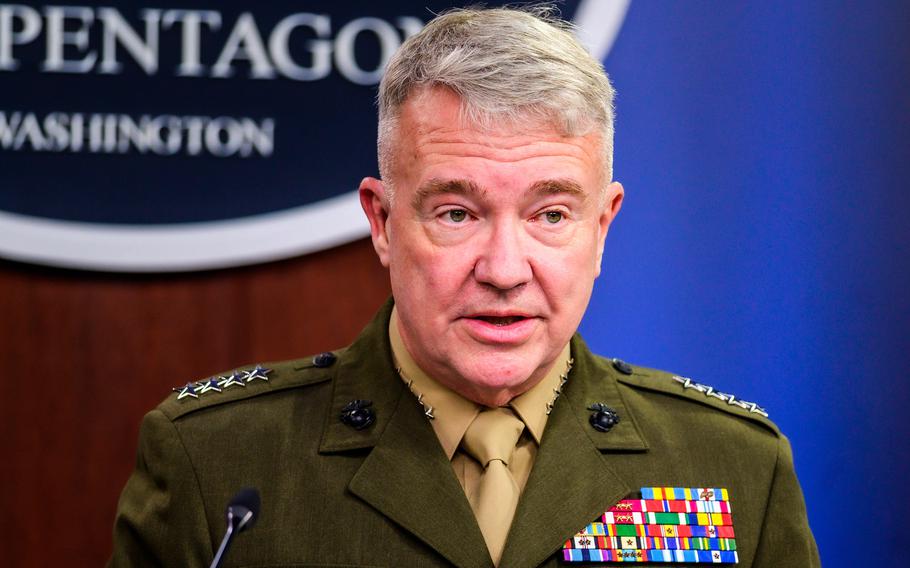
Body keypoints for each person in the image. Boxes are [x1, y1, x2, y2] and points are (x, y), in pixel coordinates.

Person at [110, 6, 819, 567]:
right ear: (383, 222)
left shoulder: (732, 469)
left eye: (550, 214)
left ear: (602, 228)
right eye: (457, 213)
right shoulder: (220, 466)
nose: (505, 269)